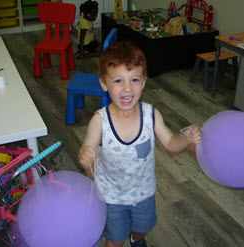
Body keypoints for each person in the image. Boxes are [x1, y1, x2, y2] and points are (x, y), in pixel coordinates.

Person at [78, 41, 201, 247]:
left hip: (143, 191)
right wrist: (86, 156)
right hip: (111, 195)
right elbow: (88, 150)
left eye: (134, 80)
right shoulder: (99, 120)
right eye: (118, 81)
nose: (127, 89)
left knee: (144, 227)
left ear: (143, 82)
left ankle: (136, 239)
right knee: (114, 240)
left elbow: (170, 143)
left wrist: (185, 138)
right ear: (104, 84)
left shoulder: (151, 114)